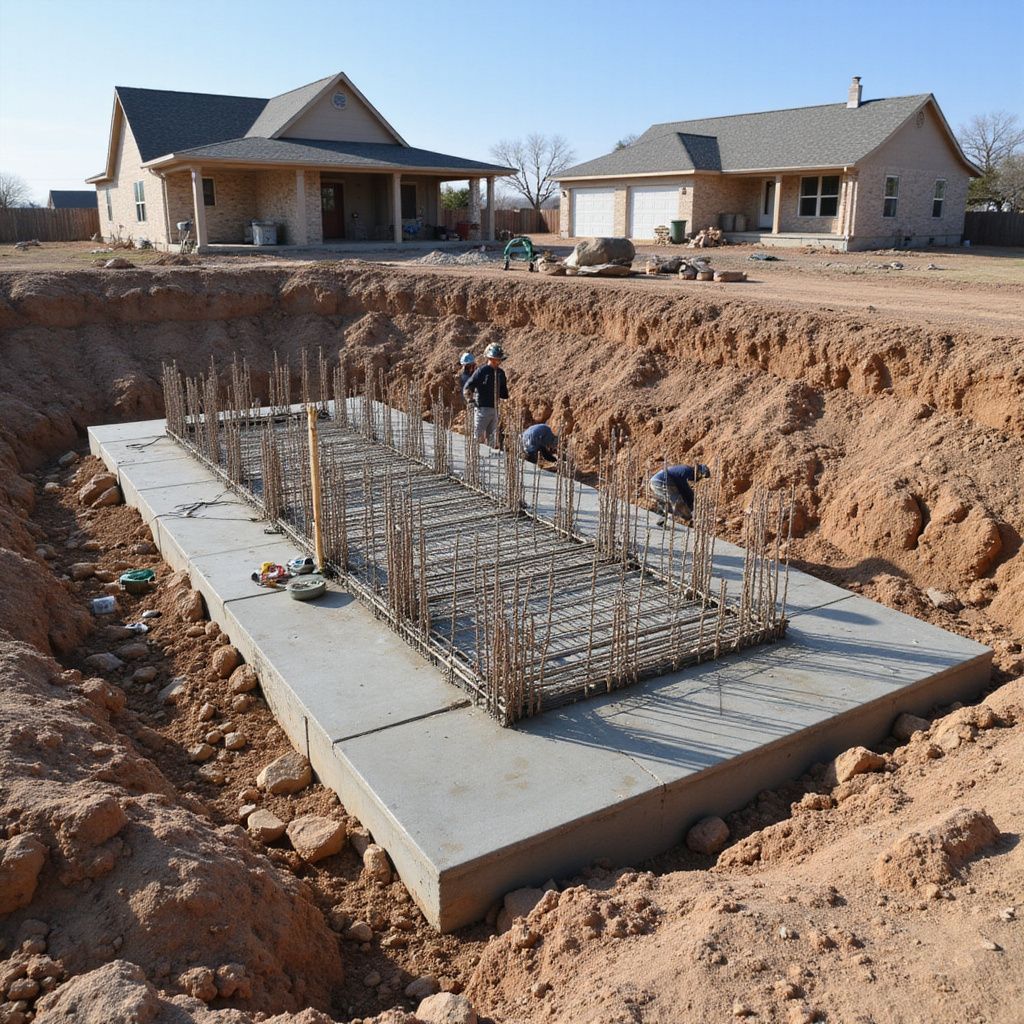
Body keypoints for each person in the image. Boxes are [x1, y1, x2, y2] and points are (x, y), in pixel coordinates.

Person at [462, 342, 509, 447]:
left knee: (492, 439)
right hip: (482, 408)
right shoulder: (482, 371)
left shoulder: (501, 373)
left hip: (495, 409)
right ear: (491, 358)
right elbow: (468, 387)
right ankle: (473, 458)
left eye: (500, 359)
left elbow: (504, 393)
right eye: (497, 359)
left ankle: (489, 459)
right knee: (477, 436)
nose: (499, 361)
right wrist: (470, 400)